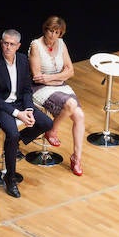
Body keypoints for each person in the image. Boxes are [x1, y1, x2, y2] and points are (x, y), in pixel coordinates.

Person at [0, 29, 53, 197]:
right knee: (13, 135)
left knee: (46, 123)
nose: (8, 47)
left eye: (11, 44)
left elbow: (27, 90)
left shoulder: (23, 60)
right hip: (2, 108)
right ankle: (10, 179)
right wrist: (18, 114)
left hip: (21, 103)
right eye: (5, 43)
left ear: (18, 46)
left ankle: (15, 145)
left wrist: (29, 110)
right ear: (1, 44)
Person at [29, 16, 85, 176]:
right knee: (71, 105)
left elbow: (71, 71)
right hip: (40, 88)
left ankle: (77, 158)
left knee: (80, 115)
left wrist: (52, 78)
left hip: (58, 85)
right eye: (51, 31)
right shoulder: (36, 45)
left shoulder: (61, 44)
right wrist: (60, 76)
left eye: (57, 32)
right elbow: (37, 76)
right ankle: (52, 131)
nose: (53, 35)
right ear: (45, 30)